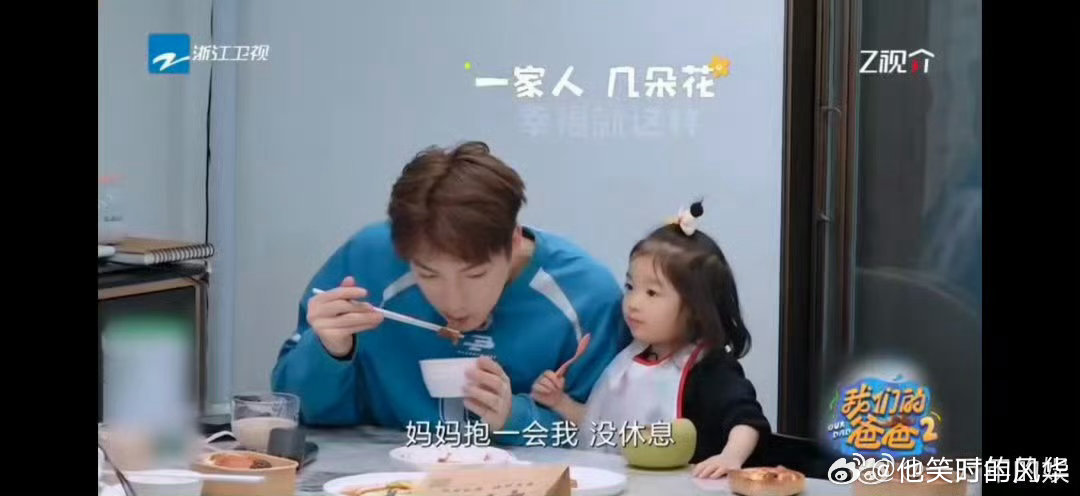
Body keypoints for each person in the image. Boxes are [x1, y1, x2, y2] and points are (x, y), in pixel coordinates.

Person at [271, 141, 629, 445]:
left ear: (514, 241)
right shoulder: (369, 263)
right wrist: (329, 352)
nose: (454, 301)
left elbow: (606, 436)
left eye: (475, 274)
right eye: (428, 273)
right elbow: (301, 411)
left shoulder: (585, 295)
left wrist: (514, 418)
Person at [530, 200, 771, 478]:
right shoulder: (629, 357)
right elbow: (607, 430)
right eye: (630, 286)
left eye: (652, 293)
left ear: (696, 307)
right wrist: (560, 402)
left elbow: (746, 419)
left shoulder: (709, 367)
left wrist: (730, 457)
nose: (633, 302)